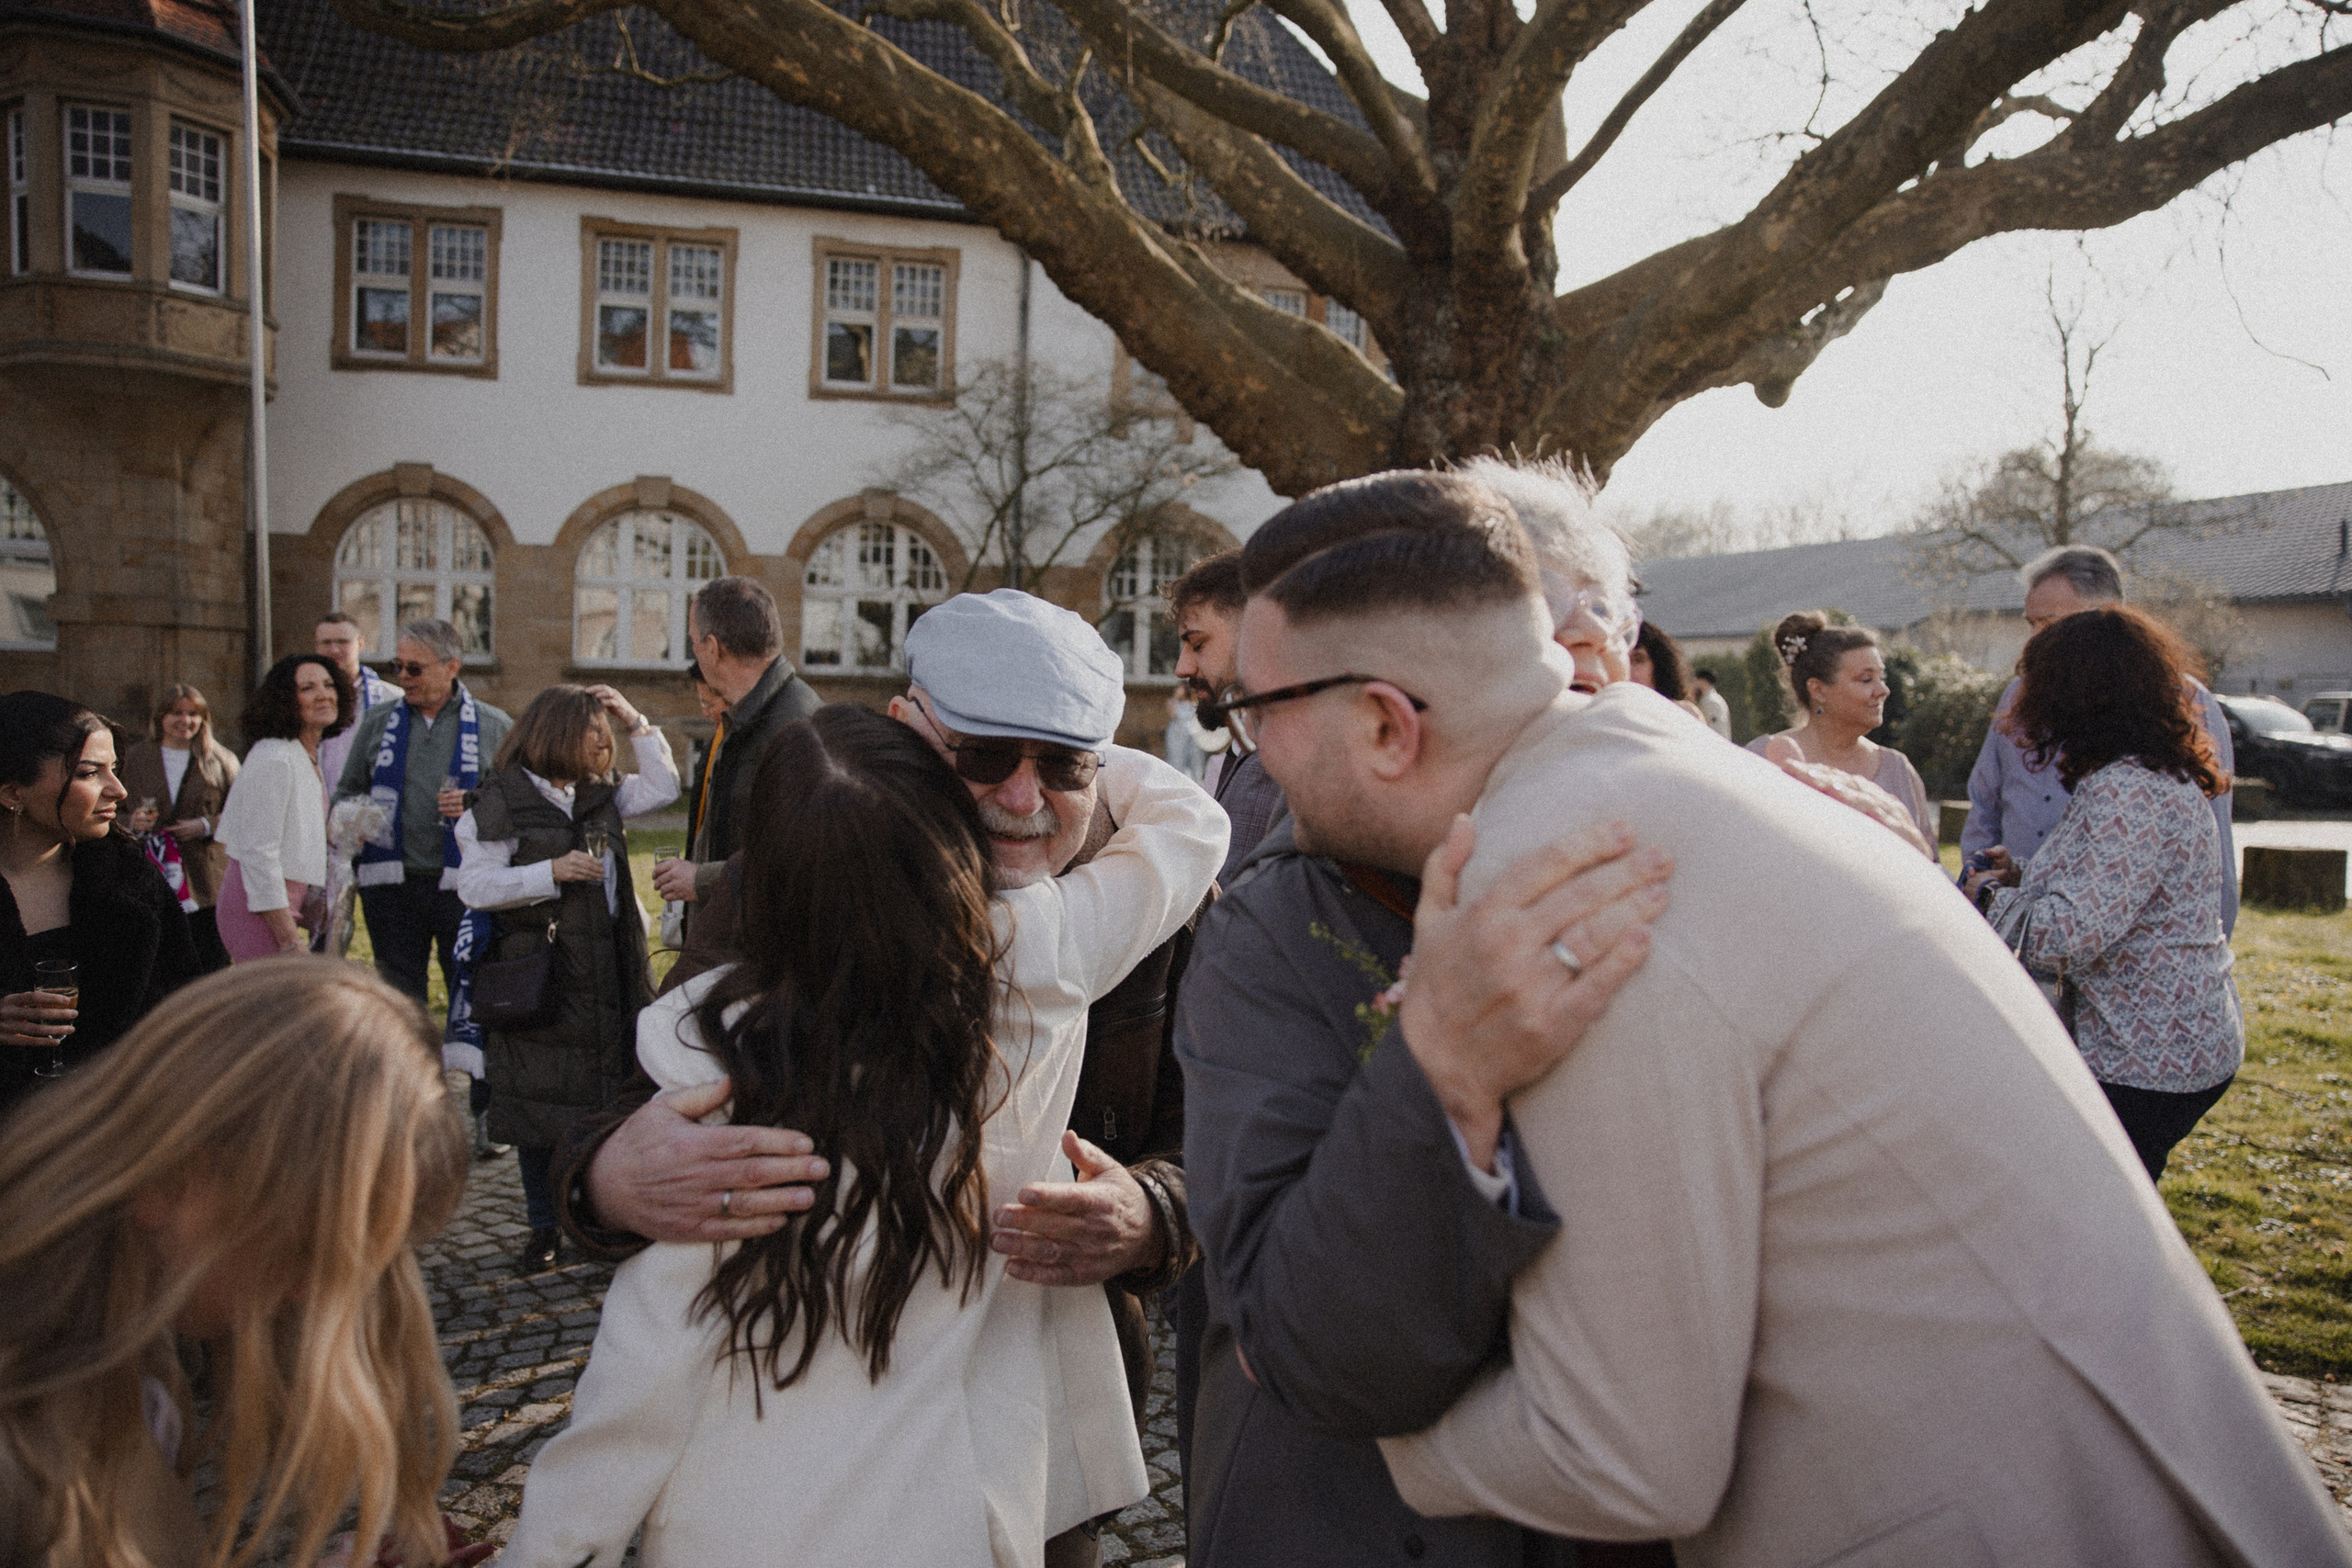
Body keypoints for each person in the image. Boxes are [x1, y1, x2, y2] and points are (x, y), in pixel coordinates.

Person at [1191, 469, 2349, 1566]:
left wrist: (1358, 1421)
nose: (1248, 751)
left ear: (1387, 724)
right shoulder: (1670, 777)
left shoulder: (1568, 879)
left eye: (1254, 706)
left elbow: (1619, 1462)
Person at [559, 591, 1211, 1568]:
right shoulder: (796, 881)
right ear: (907, 733)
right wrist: (610, 1175)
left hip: (1037, 1437)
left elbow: (1234, 1147)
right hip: (822, 1456)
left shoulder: (1147, 919)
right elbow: (624, 1106)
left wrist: (1153, 1212)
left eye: (1068, 762)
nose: (1024, 798)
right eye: (985, 754)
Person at [1174, 473, 1671, 1568]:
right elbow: (1304, 1338)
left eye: (1596, 655)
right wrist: (1440, 1067)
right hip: (1348, 1524)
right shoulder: (1280, 926)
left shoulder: (1692, 871)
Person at [0, 958, 481, 1568]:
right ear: (174, 1179)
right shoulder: (32, 1444)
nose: (309, 1292)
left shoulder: (125, 1351)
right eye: (309, 1248)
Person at [1966, 608, 2243, 1181]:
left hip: (2147, 1058)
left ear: (2076, 692)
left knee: (2098, 1222)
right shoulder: (2141, 770)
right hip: (2168, 1041)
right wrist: (2020, 874)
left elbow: (2070, 935)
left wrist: (1989, 899)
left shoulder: (2129, 789)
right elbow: (2110, 882)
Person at [453, 683, 679, 1273]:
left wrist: (635, 717)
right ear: (555, 736)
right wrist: (547, 872)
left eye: (606, 740)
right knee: (538, 1107)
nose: (604, 749)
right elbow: (475, 887)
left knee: (607, 1097)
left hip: (610, 967)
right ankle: (543, 1226)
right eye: (594, 737)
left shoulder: (600, 795)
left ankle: (600, 1214)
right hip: (543, 975)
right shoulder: (499, 801)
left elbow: (664, 787)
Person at [1963, 545, 2240, 932]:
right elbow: (1985, 805)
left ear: (2110, 617)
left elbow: (2214, 841)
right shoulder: (2019, 695)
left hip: (2113, 951)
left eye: (2052, 623)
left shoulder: (2183, 710)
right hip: (2018, 931)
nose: (2037, 643)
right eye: (2032, 625)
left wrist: (2214, 938)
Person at [0, 693, 205, 1114]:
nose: (119, 790)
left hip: (113, 1139)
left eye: (115, 769)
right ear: (12, 793)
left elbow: (185, 1006)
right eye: (90, 773)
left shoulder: (128, 877)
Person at [334, 618, 514, 1006]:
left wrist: (474, 803)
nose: (403, 677)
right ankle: (406, 1064)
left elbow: (521, 802)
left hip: (465, 882)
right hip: (390, 886)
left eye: (414, 668)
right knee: (398, 995)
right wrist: (353, 818)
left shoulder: (495, 726)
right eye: (397, 667)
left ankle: (469, 1065)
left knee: (470, 986)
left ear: (452, 667)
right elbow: (346, 792)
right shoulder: (378, 721)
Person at [648, 578, 820, 941]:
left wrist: (702, 880)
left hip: (765, 953)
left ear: (712, 648)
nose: (693, 651)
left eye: (693, 642)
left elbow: (806, 859)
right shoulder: (748, 714)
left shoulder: (792, 726)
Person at [1746, 611, 1937, 853]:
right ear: (1818, 690)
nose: (1883, 690)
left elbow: (1930, 867)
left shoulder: (1898, 770)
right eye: (1866, 679)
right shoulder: (1761, 759)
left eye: (1882, 677)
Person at [215, 653, 351, 962]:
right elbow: (258, 853)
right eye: (307, 688)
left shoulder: (306, 754)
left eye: (329, 685)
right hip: (258, 908)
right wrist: (289, 939)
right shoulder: (274, 756)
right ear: (286, 700)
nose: (323, 694)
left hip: (285, 905)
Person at [1168, 550, 1286, 884]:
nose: (1182, 668)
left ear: (1256, 635)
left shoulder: (1277, 760)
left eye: (1198, 644)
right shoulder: (1246, 747)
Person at [119, 683, 240, 969]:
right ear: (160, 717)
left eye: (193, 714)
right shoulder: (134, 759)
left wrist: (205, 825)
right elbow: (109, 810)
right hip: (150, 876)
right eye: (176, 713)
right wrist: (130, 822)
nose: (185, 721)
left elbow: (246, 814)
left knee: (209, 962)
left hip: (205, 882)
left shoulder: (221, 760)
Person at [315, 608, 404, 806]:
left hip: (367, 812)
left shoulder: (392, 699)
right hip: (316, 807)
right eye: (326, 643)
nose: (334, 650)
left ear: (361, 644)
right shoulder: (304, 699)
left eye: (342, 642)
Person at [1630, 620, 1707, 723]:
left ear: (1659, 665)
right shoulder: (1604, 719)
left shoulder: (1682, 715)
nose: (1628, 669)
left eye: (1638, 660)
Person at [1691, 665, 1734, 739]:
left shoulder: (1712, 702)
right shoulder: (1709, 700)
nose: (1694, 684)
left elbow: (1715, 729)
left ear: (1703, 681)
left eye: (1696, 680)